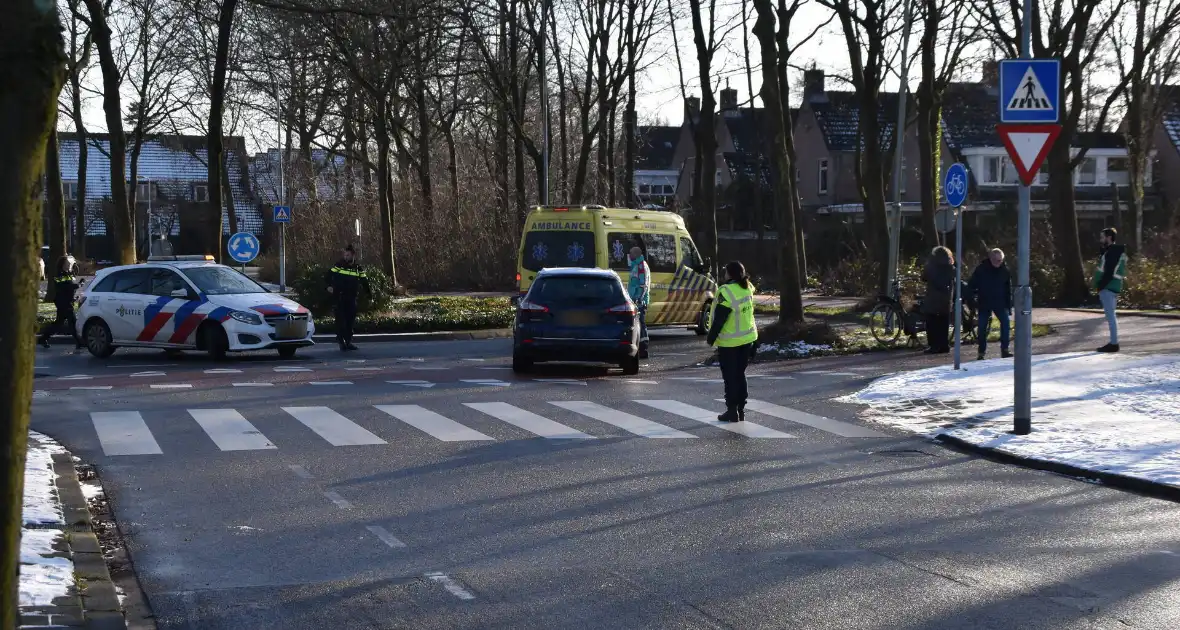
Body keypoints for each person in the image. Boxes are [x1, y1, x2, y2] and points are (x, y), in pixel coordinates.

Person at [706, 261, 758, 422]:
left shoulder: (726, 291)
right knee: (740, 375)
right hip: (748, 338)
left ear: (730, 274)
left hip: (730, 342)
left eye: (726, 272)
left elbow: (720, 318)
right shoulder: (747, 287)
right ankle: (741, 409)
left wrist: (711, 338)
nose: (724, 274)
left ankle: (732, 410)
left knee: (730, 377)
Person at [967, 248, 1013, 360]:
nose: (999, 263)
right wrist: (972, 301)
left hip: (1000, 303)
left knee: (1006, 324)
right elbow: (971, 285)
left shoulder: (1004, 270)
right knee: (982, 327)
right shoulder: (981, 269)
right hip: (984, 302)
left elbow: (1008, 289)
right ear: (991, 259)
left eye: (1001, 260)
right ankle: (981, 352)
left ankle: (1005, 350)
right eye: (997, 260)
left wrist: (1009, 305)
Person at [324, 244, 371, 351]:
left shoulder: (358, 269)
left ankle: (348, 341)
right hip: (340, 297)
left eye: (348, 255)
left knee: (350, 321)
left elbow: (365, 282)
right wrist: (328, 287)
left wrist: (369, 295)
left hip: (352, 298)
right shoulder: (339, 265)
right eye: (345, 255)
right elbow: (327, 276)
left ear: (353, 255)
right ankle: (341, 342)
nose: (346, 257)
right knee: (341, 321)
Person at [1093, 227, 1127, 353]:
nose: (1101, 240)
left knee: (1111, 317)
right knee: (1111, 316)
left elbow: (1108, 271)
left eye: (1102, 237)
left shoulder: (1113, 253)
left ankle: (1114, 344)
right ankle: (1113, 342)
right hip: (1111, 287)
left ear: (1109, 237)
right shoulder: (1113, 252)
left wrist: (1100, 285)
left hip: (1108, 287)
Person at [39, 256, 83, 350]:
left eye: (69, 264)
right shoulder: (59, 275)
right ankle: (79, 343)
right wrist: (78, 285)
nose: (69, 265)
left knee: (59, 323)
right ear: (62, 265)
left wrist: (77, 288)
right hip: (63, 302)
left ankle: (43, 338)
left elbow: (71, 285)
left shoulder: (69, 273)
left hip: (67, 301)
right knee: (72, 321)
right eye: (67, 263)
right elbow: (65, 286)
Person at [921, 246, 955, 355]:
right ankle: (944, 345)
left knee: (932, 324)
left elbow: (924, 277)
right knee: (943, 323)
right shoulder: (951, 268)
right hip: (946, 300)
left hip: (933, 300)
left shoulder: (931, 266)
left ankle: (933, 346)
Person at [627, 246, 651, 359]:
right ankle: (641, 348)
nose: (629, 256)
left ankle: (643, 349)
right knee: (638, 324)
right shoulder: (636, 265)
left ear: (635, 254)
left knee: (641, 324)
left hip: (639, 301)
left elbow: (643, 285)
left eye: (630, 254)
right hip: (635, 300)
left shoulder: (641, 266)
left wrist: (639, 299)